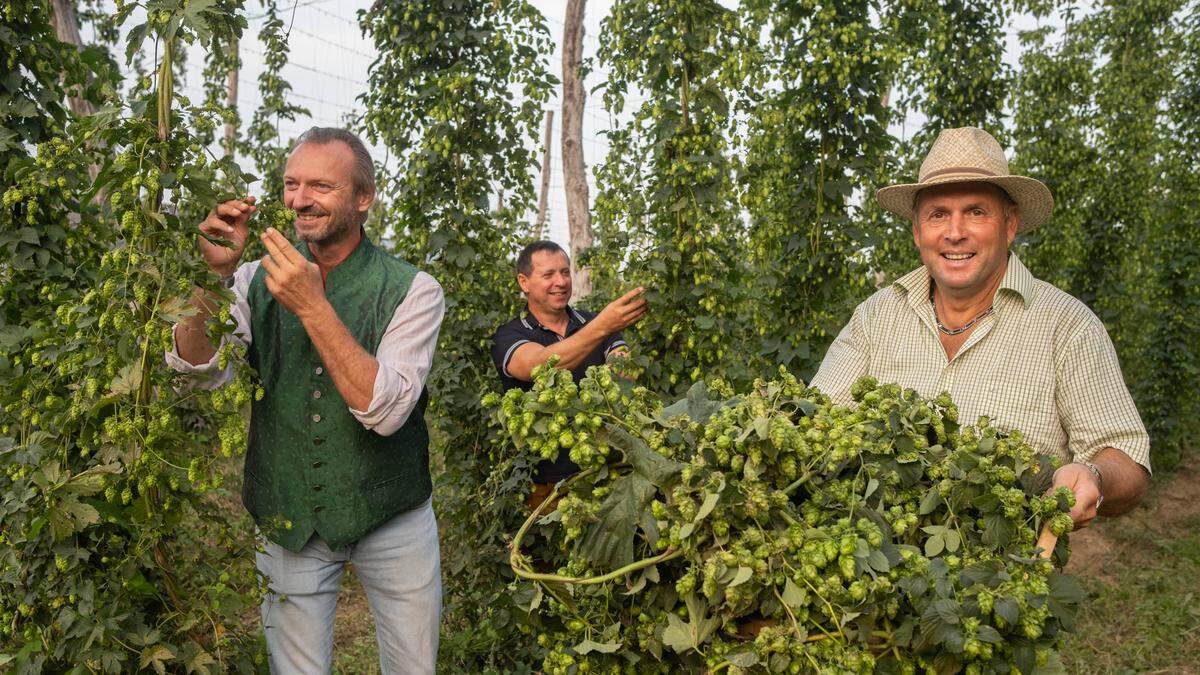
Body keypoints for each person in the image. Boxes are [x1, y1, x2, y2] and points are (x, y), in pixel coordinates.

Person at [166, 127, 444, 673]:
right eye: (292, 184)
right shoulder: (251, 279)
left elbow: (385, 412)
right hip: (287, 506)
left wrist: (312, 306)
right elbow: (196, 372)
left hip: (391, 513)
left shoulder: (414, 290)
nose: (299, 200)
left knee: (414, 665)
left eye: (320, 185)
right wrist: (212, 276)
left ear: (363, 199)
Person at [811, 126, 1150, 529]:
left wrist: (1093, 476)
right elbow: (817, 421)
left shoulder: (1068, 326)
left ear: (1009, 225)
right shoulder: (875, 318)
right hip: (874, 578)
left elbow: (1125, 454)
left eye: (975, 211)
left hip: (999, 583)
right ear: (918, 231)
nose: (955, 232)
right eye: (939, 215)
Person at [491, 241, 646, 497]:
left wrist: (616, 356)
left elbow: (624, 369)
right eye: (548, 274)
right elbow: (538, 365)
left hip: (606, 473)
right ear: (524, 282)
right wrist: (603, 326)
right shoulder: (508, 335)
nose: (561, 282)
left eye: (565, 272)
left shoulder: (595, 322)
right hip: (545, 486)